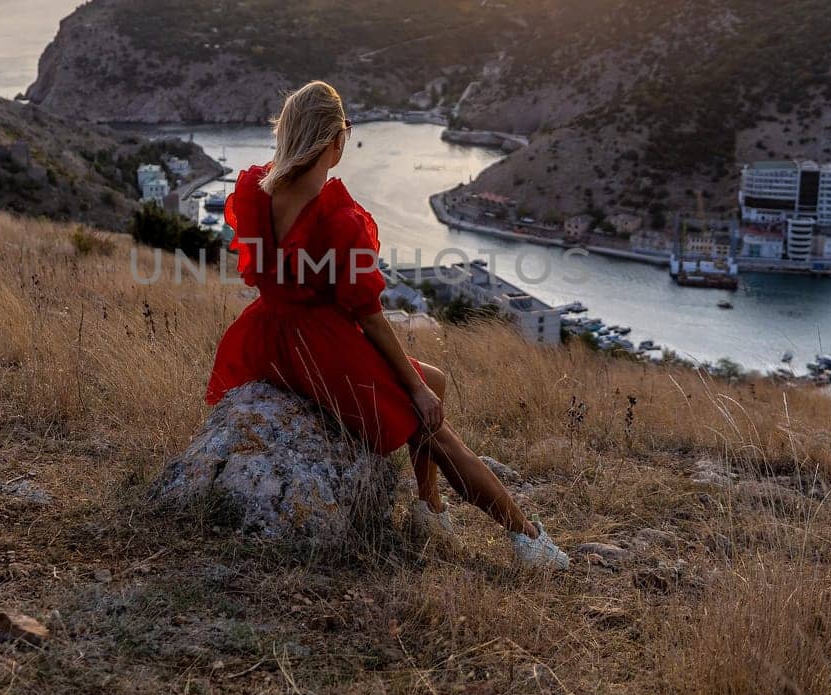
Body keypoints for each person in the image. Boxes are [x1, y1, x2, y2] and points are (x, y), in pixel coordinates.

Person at [205, 81, 570, 569]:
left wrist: (422, 383)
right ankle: (529, 540)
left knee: (435, 380)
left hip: (269, 335)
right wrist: (414, 390)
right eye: (346, 133)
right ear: (334, 140)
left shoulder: (257, 189)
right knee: (431, 421)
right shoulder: (336, 218)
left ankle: (431, 509)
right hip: (320, 345)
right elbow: (370, 318)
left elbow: (261, 271)